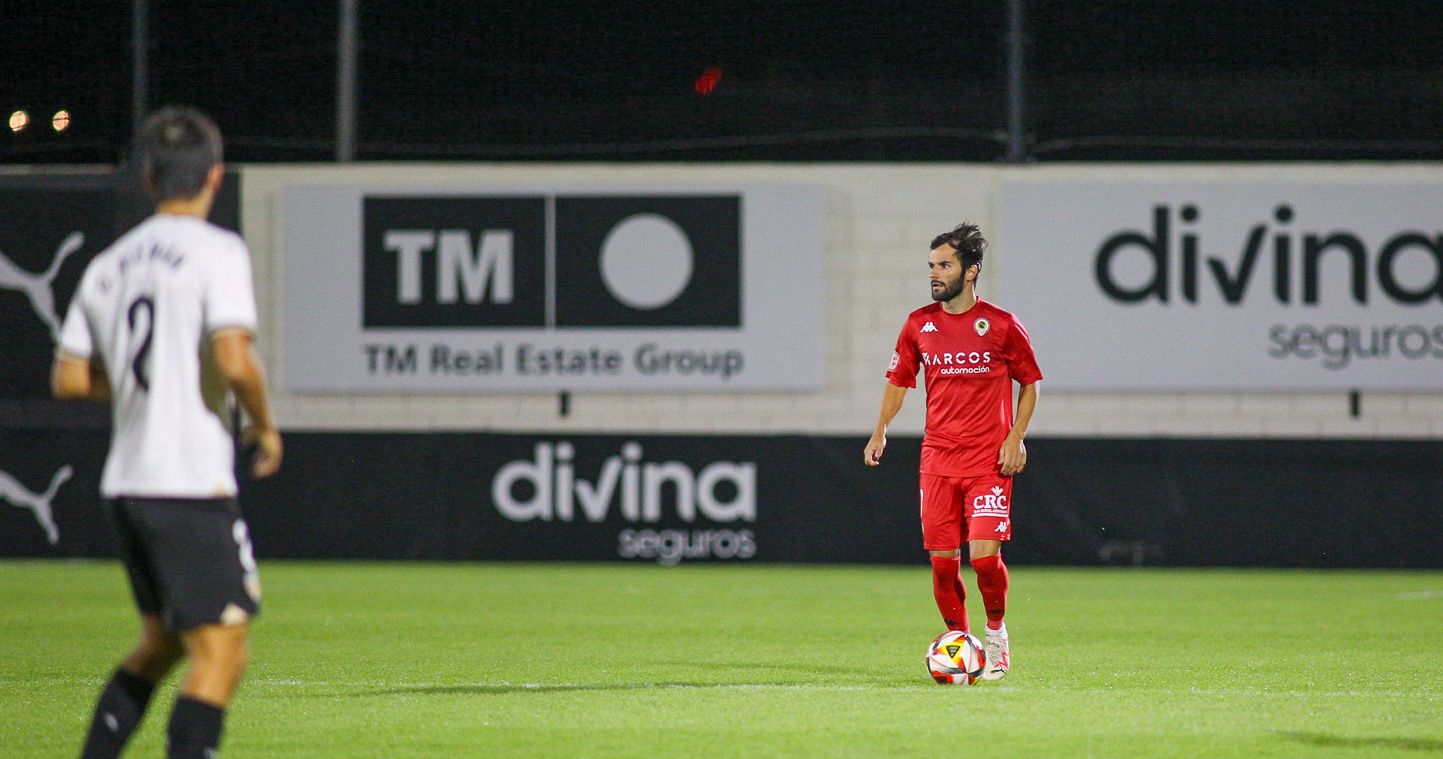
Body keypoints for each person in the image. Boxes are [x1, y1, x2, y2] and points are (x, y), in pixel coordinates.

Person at [52, 106, 282, 758]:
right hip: (186, 482)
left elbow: (69, 378)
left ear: (148, 178)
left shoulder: (108, 264)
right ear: (215, 175)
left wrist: (135, 379)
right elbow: (235, 358)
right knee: (222, 653)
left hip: (126, 483)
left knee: (161, 645)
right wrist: (265, 426)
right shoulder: (217, 251)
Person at [864, 221, 1041, 681]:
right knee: (944, 567)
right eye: (931, 266)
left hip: (988, 460)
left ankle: (997, 633)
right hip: (938, 461)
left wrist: (1015, 437)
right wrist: (880, 429)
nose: (935, 274)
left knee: (983, 558)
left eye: (945, 265)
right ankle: (963, 645)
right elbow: (899, 381)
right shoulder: (919, 324)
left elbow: (1030, 383)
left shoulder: (1001, 325)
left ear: (971, 270)